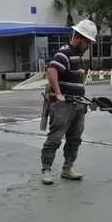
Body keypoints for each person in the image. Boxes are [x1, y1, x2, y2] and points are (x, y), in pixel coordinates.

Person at [40, 19, 97, 185]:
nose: (88, 45)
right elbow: (51, 70)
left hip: (78, 104)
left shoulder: (78, 56)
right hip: (64, 106)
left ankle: (68, 168)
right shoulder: (64, 53)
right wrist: (58, 93)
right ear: (78, 37)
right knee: (55, 138)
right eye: (87, 41)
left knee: (75, 138)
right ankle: (46, 169)